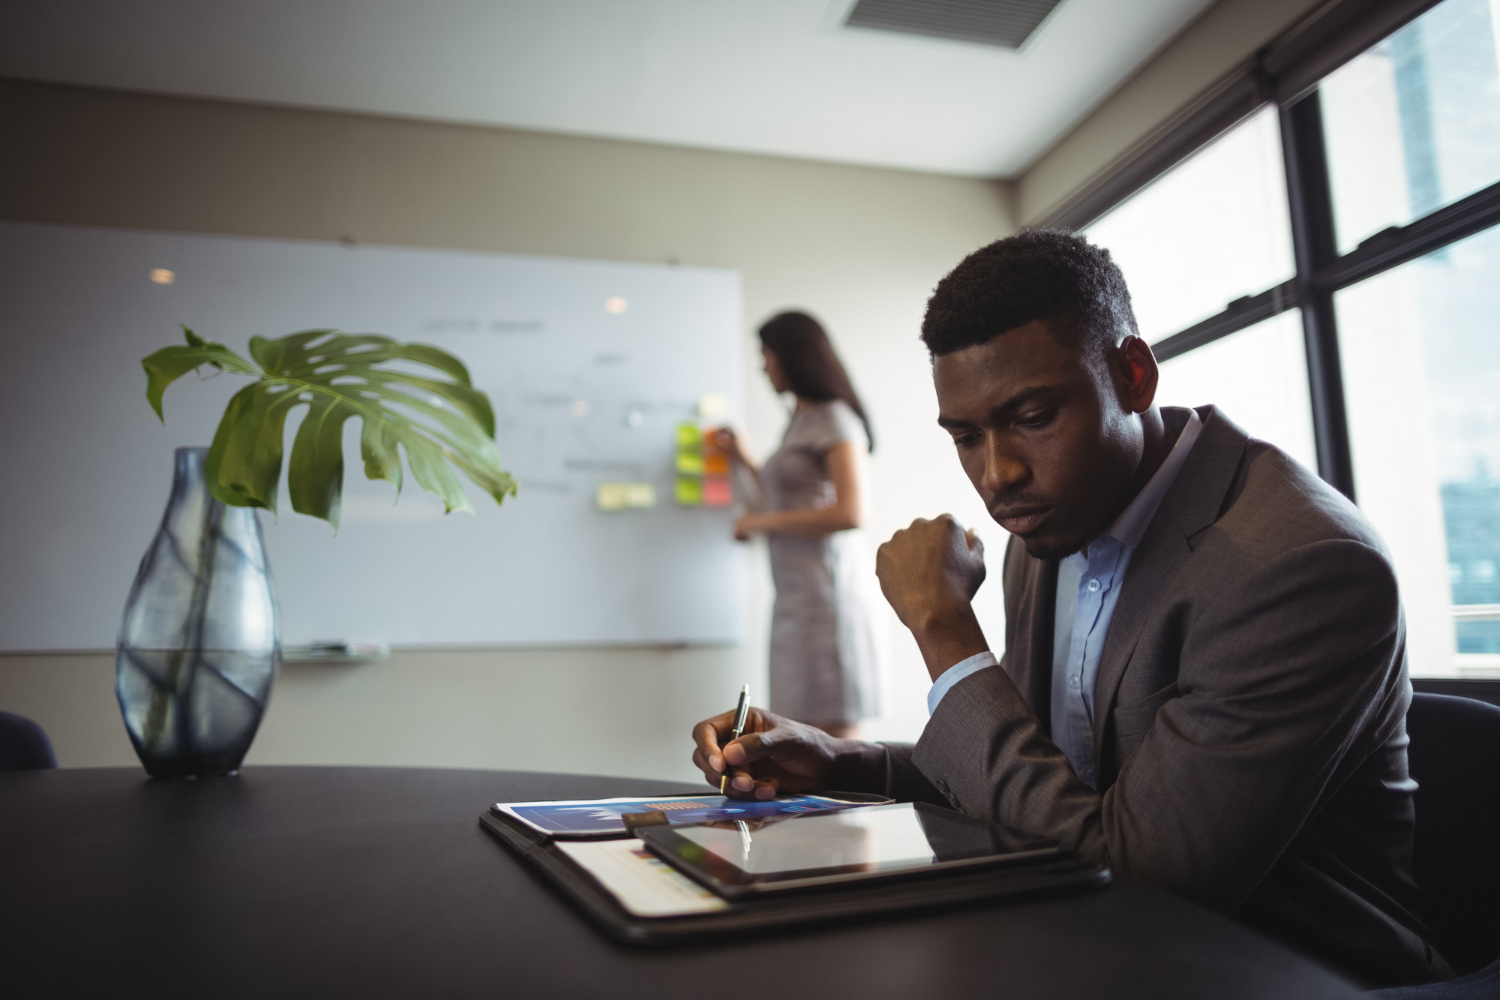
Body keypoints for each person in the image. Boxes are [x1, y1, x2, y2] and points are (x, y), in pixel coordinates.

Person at [691, 232, 1451, 988]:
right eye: (965, 436)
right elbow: (1033, 784)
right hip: (1084, 947)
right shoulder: (1049, 524)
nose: (998, 475)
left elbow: (1141, 881)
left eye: (1032, 416)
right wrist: (840, 764)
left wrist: (945, 632)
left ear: (1133, 376)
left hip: (1283, 973)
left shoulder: (1297, 566)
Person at [716, 311, 882, 739]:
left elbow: (850, 512)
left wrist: (757, 521)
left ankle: (846, 813)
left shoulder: (835, 419)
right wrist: (744, 458)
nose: (762, 367)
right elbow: (786, 497)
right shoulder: (800, 422)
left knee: (833, 744)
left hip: (828, 602)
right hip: (794, 599)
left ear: (791, 357)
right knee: (800, 737)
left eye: (766, 355)